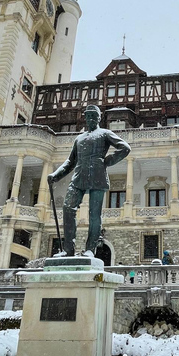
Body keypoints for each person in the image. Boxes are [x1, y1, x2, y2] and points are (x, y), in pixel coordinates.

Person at [48, 105, 131, 257]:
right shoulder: (79, 138)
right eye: (88, 116)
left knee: (94, 214)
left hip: (97, 177)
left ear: (99, 118)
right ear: (85, 118)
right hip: (79, 177)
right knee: (68, 208)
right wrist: (56, 174)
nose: (91, 118)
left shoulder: (105, 133)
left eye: (94, 116)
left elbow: (125, 148)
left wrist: (107, 161)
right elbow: (70, 161)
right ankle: (68, 249)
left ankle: (90, 250)